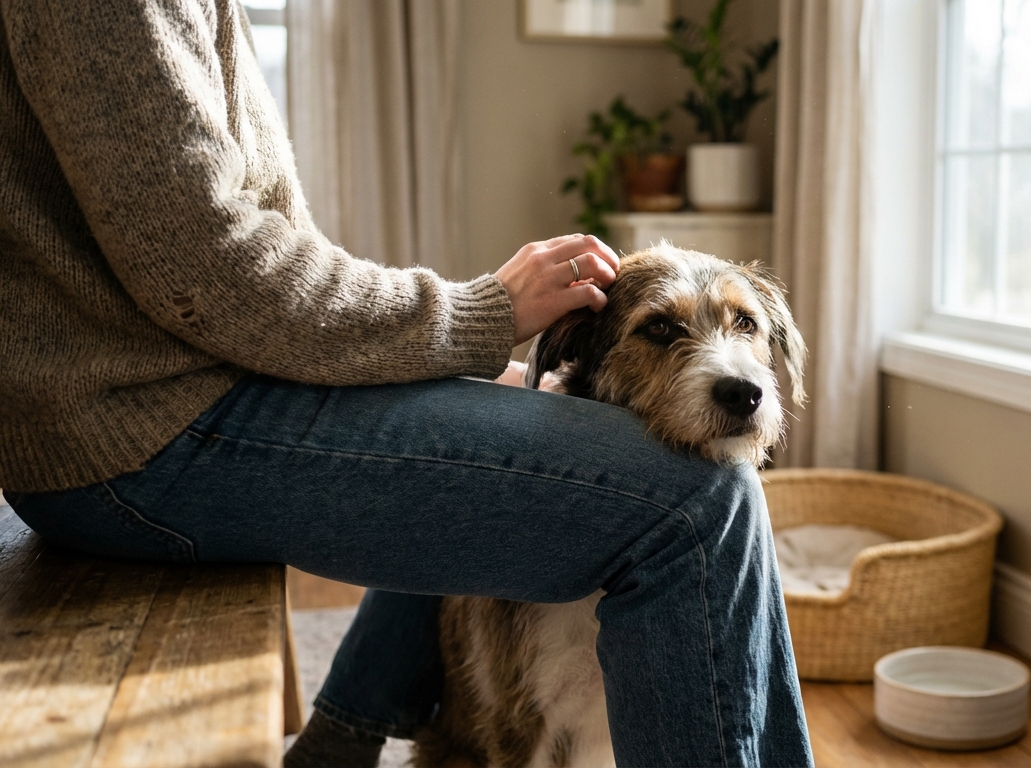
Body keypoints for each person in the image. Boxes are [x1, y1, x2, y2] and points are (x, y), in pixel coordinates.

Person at [0, 1, 813, 766]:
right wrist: (481, 311)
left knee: (475, 433)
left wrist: (462, 367)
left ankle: (340, 737)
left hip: (172, 395)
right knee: (705, 502)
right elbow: (208, 270)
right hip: (137, 430)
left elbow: (219, 274)